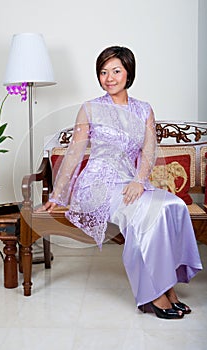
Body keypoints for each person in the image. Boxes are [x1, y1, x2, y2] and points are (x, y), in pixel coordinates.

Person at [40, 46, 203, 319]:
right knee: (143, 215)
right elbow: (74, 153)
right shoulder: (90, 108)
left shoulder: (144, 110)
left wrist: (140, 180)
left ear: (128, 73)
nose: (109, 78)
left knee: (172, 206)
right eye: (103, 72)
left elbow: (149, 150)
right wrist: (57, 196)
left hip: (130, 182)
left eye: (116, 71)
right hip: (97, 184)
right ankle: (153, 295)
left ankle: (167, 285)